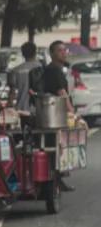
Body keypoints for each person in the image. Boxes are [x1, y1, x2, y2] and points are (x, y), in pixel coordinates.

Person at [41, 40, 76, 191]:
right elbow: (62, 93)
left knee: (59, 148)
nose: (64, 52)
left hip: (56, 114)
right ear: (52, 53)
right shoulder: (53, 70)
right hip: (55, 115)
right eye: (60, 50)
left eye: (65, 50)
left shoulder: (58, 69)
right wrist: (72, 113)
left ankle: (57, 180)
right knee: (57, 147)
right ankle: (55, 181)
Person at [8, 41, 43, 113]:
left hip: (21, 109)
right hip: (39, 109)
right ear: (35, 52)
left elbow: (12, 92)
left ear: (23, 54)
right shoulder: (43, 69)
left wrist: (10, 105)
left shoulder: (16, 71)